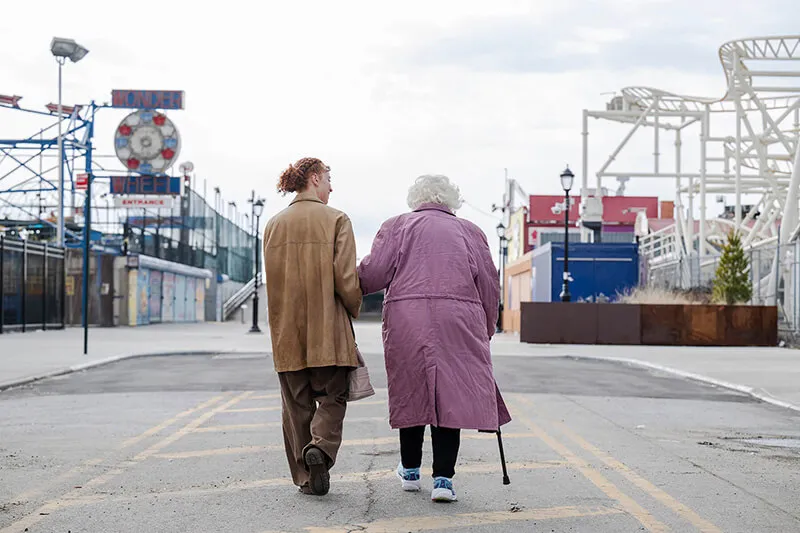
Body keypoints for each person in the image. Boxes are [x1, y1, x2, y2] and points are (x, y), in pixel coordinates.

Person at [358, 174, 511, 503]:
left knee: (410, 389)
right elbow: (488, 284)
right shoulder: (471, 231)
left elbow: (372, 276)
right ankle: (444, 479)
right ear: (451, 199)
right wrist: (486, 327)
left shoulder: (397, 226)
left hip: (407, 319)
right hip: (459, 319)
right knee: (451, 394)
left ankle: (410, 471)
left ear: (416, 198)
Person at [262, 157, 362, 496]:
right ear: (315, 178)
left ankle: (307, 477)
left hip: (287, 332)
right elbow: (346, 279)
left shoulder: (274, 224)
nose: (332, 187)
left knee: (296, 407)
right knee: (334, 395)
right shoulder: (337, 219)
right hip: (328, 331)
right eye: (329, 179)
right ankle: (319, 447)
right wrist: (355, 306)